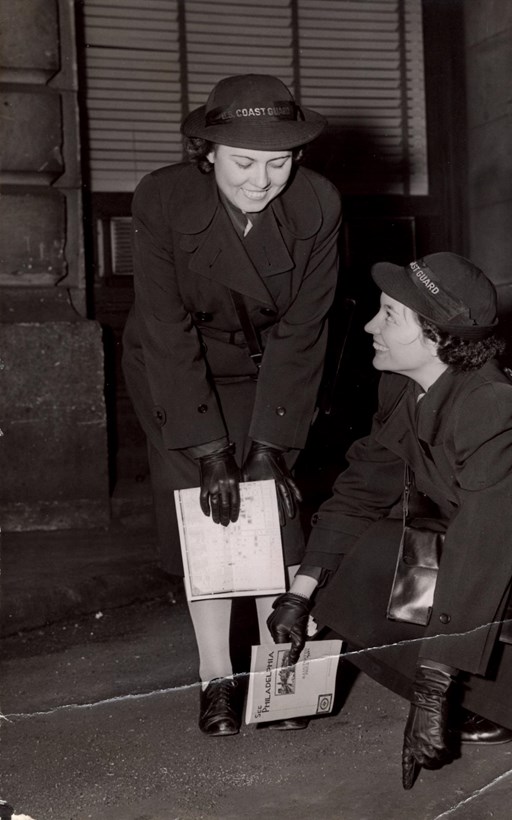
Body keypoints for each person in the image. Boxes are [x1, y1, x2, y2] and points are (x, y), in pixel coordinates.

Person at [267, 252, 512, 787]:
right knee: (367, 556)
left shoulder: (493, 405)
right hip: (506, 545)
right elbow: (360, 491)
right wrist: (300, 592)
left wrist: (433, 686)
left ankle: (505, 702)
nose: (371, 325)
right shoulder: (402, 385)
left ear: (437, 336)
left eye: (389, 316)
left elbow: (483, 547)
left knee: (394, 565)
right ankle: (491, 691)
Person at [122, 74, 341, 737]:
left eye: (279, 162)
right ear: (207, 152)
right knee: (208, 512)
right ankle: (216, 676)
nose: (260, 179)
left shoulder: (319, 205)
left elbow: (305, 333)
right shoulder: (162, 199)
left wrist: (270, 448)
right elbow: (165, 328)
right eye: (244, 161)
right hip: (176, 363)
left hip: (267, 366)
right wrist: (211, 449)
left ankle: (284, 680)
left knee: (274, 511)